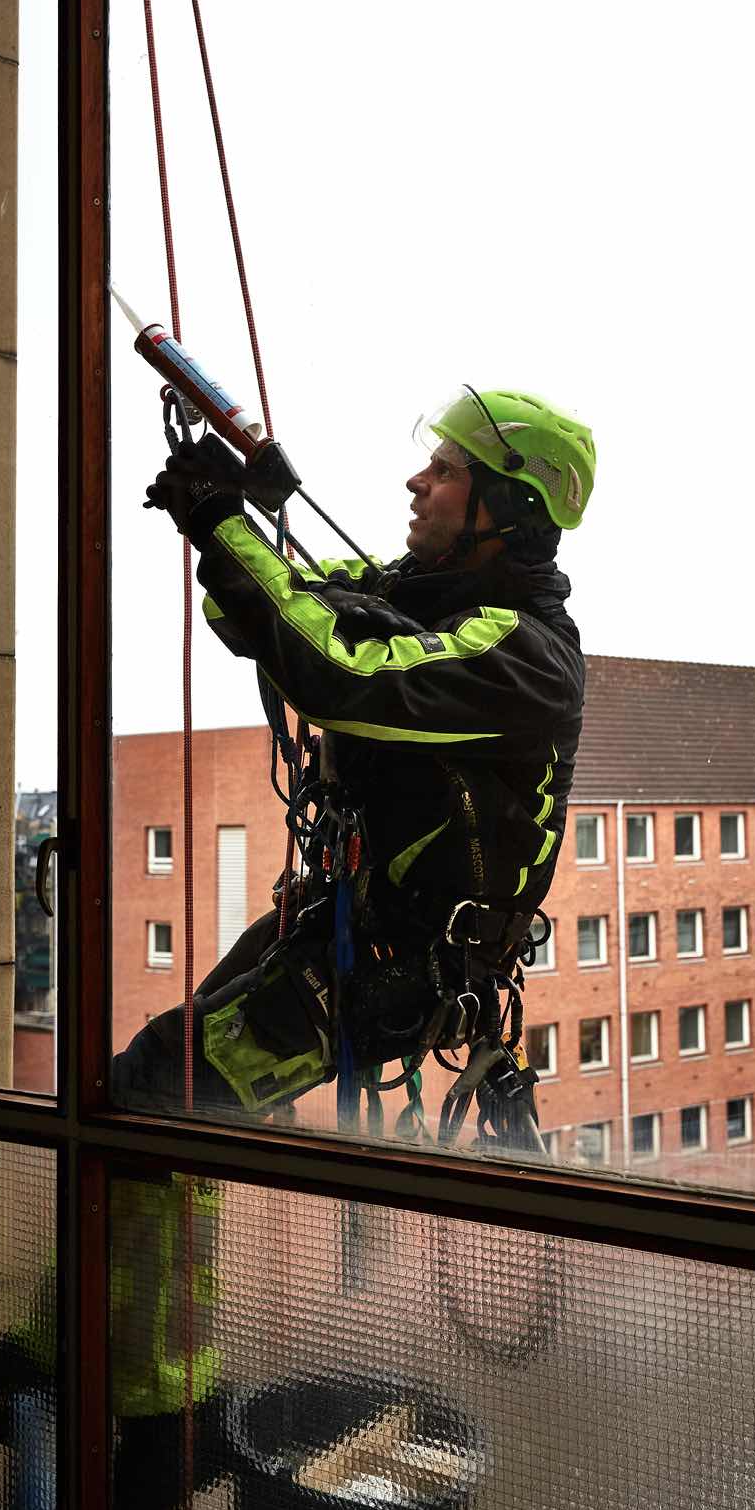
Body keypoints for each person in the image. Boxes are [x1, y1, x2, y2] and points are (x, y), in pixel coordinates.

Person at [113, 386, 595, 1145]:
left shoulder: (524, 654)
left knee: (154, 1083)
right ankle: (158, 1237)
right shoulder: (417, 592)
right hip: (350, 923)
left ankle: (142, 1259)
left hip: (406, 967)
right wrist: (237, 521)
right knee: (166, 1072)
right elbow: (256, 616)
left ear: (506, 505)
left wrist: (223, 523)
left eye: (444, 470)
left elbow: (338, 672)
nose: (417, 482)